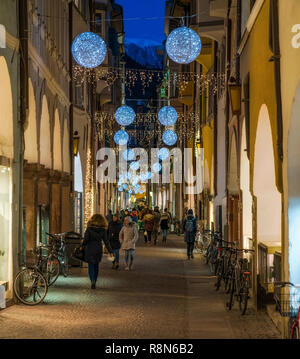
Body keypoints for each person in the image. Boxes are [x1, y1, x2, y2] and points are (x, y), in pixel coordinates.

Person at [82, 214, 114, 289]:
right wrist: (110, 251)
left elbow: (85, 240)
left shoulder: (89, 229)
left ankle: (92, 280)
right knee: (96, 266)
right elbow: (106, 242)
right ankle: (95, 280)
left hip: (90, 249)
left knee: (91, 266)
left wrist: (82, 245)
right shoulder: (103, 230)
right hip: (98, 249)